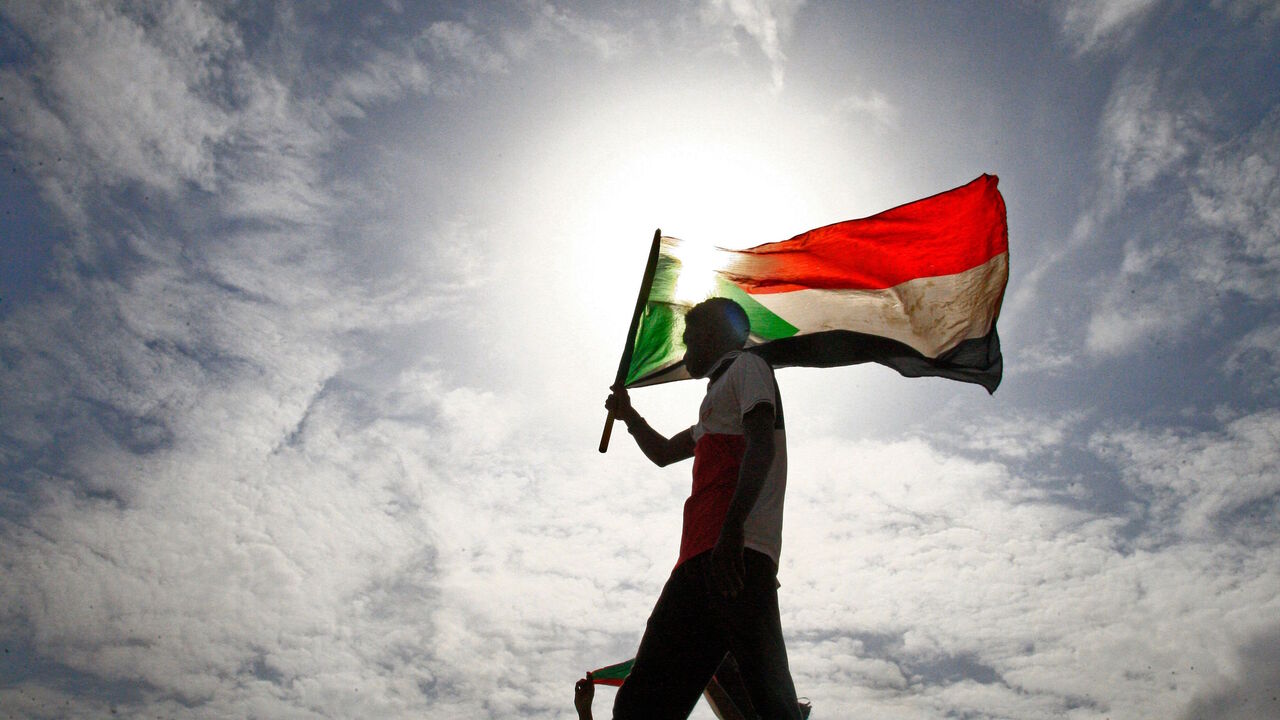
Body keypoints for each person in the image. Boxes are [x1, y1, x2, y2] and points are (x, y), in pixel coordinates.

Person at [603, 297, 803, 720]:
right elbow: (662, 453)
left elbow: (761, 446)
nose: (684, 348)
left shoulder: (748, 367)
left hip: (737, 557)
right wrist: (629, 416)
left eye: (689, 338)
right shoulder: (713, 407)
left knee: (771, 704)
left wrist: (732, 531)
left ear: (715, 336)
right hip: (698, 563)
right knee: (641, 705)